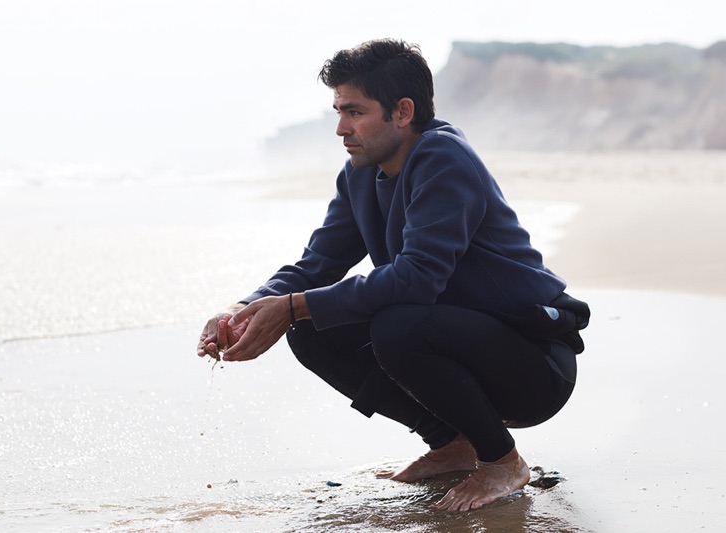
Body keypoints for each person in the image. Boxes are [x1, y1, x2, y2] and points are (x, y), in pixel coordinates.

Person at [197, 38, 589, 512]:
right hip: (460, 345)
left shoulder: (445, 160)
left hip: (533, 363)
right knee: (311, 328)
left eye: (355, 112)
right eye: (338, 111)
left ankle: (502, 461)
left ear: (402, 111)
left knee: (398, 323)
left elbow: (417, 277)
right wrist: (244, 309)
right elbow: (317, 264)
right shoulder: (360, 173)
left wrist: (295, 305)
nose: (341, 128)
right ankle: (453, 444)